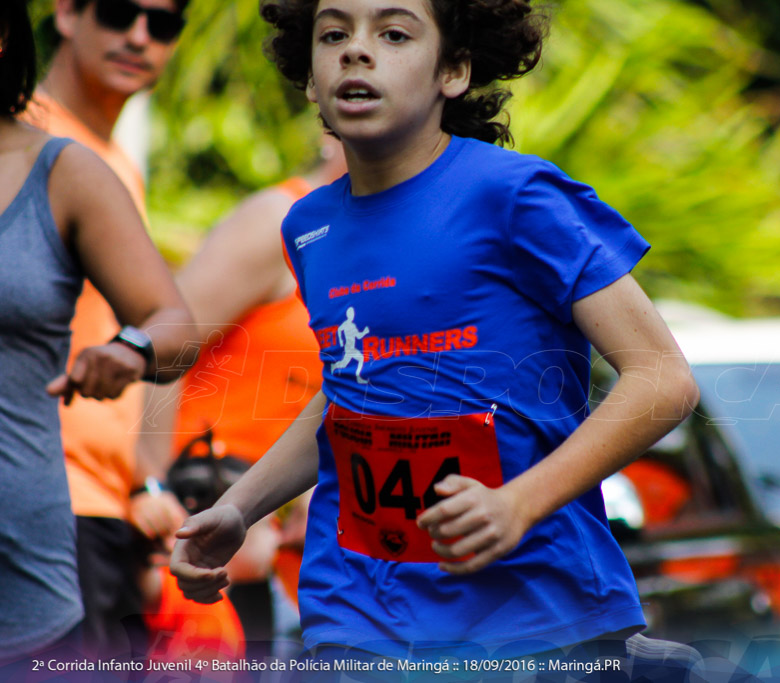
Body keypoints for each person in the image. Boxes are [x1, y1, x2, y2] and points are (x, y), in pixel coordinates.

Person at [172, 0, 702, 676]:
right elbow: (351, 387)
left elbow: (663, 379)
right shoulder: (307, 229)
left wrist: (517, 502)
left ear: (453, 69)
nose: (356, 52)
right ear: (309, 77)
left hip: (534, 617)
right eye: (333, 34)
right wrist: (238, 506)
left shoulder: (515, 197)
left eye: (393, 34)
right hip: (357, 611)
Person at [0, 0, 194, 667]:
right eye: (119, 12)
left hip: (73, 518)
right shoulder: (51, 141)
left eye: (162, 23)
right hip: (71, 499)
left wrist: (146, 484)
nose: (139, 36)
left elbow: (166, 330)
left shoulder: (87, 163)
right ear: (64, 12)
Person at [139, 144, 345, 658]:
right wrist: (151, 488)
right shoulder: (282, 220)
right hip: (200, 537)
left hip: (291, 562)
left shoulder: (392, 248)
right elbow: (164, 347)